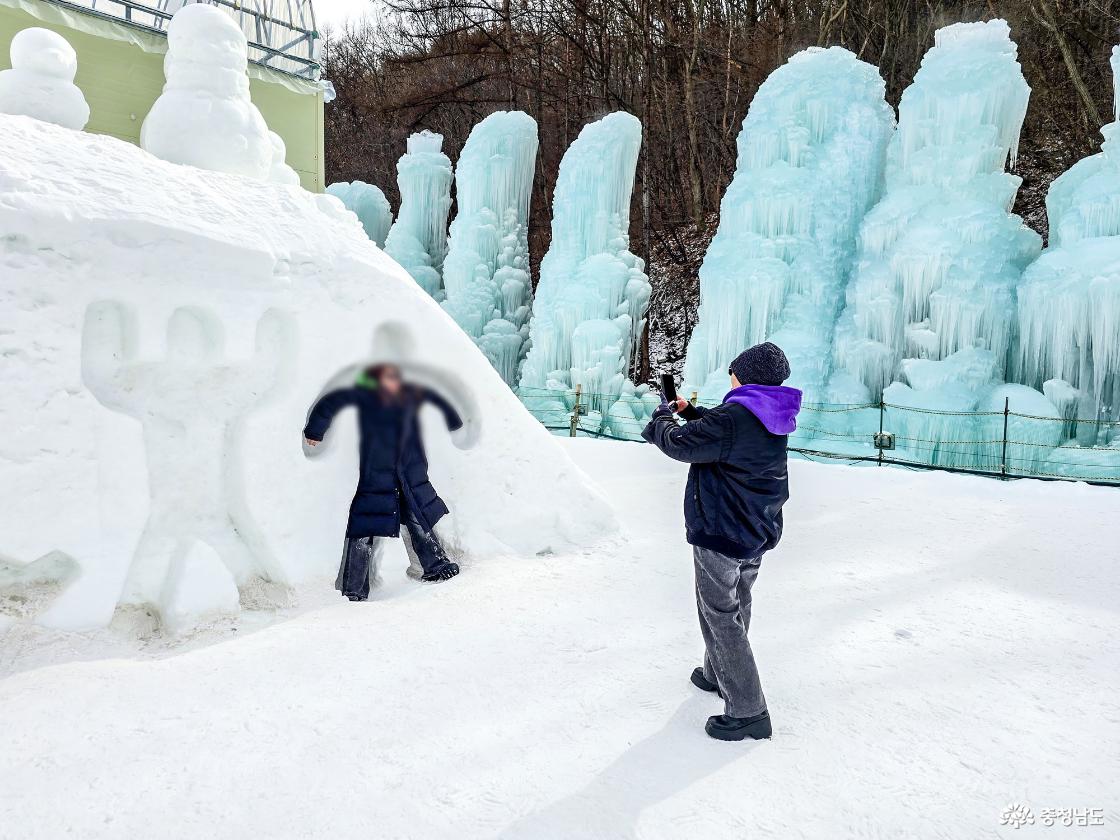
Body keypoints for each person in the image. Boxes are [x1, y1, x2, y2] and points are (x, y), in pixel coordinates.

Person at [642, 342, 802, 741]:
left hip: (722, 529)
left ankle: (748, 710)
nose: (730, 378)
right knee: (737, 601)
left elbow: (682, 445)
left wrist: (662, 417)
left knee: (719, 613)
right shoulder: (767, 411)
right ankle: (718, 673)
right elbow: (726, 434)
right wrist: (690, 412)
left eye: (733, 372)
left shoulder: (736, 415)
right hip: (756, 527)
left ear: (744, 376)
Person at [303, 364, 463, 601]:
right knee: (364, 524)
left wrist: (454, 421)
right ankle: (353, 588)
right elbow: (330, 402)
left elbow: (437, 397)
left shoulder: (409, 393)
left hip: (411, 470)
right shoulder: (364, 396)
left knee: (418, 517)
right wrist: (315, 432)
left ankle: (435, 566)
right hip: (378, 471)